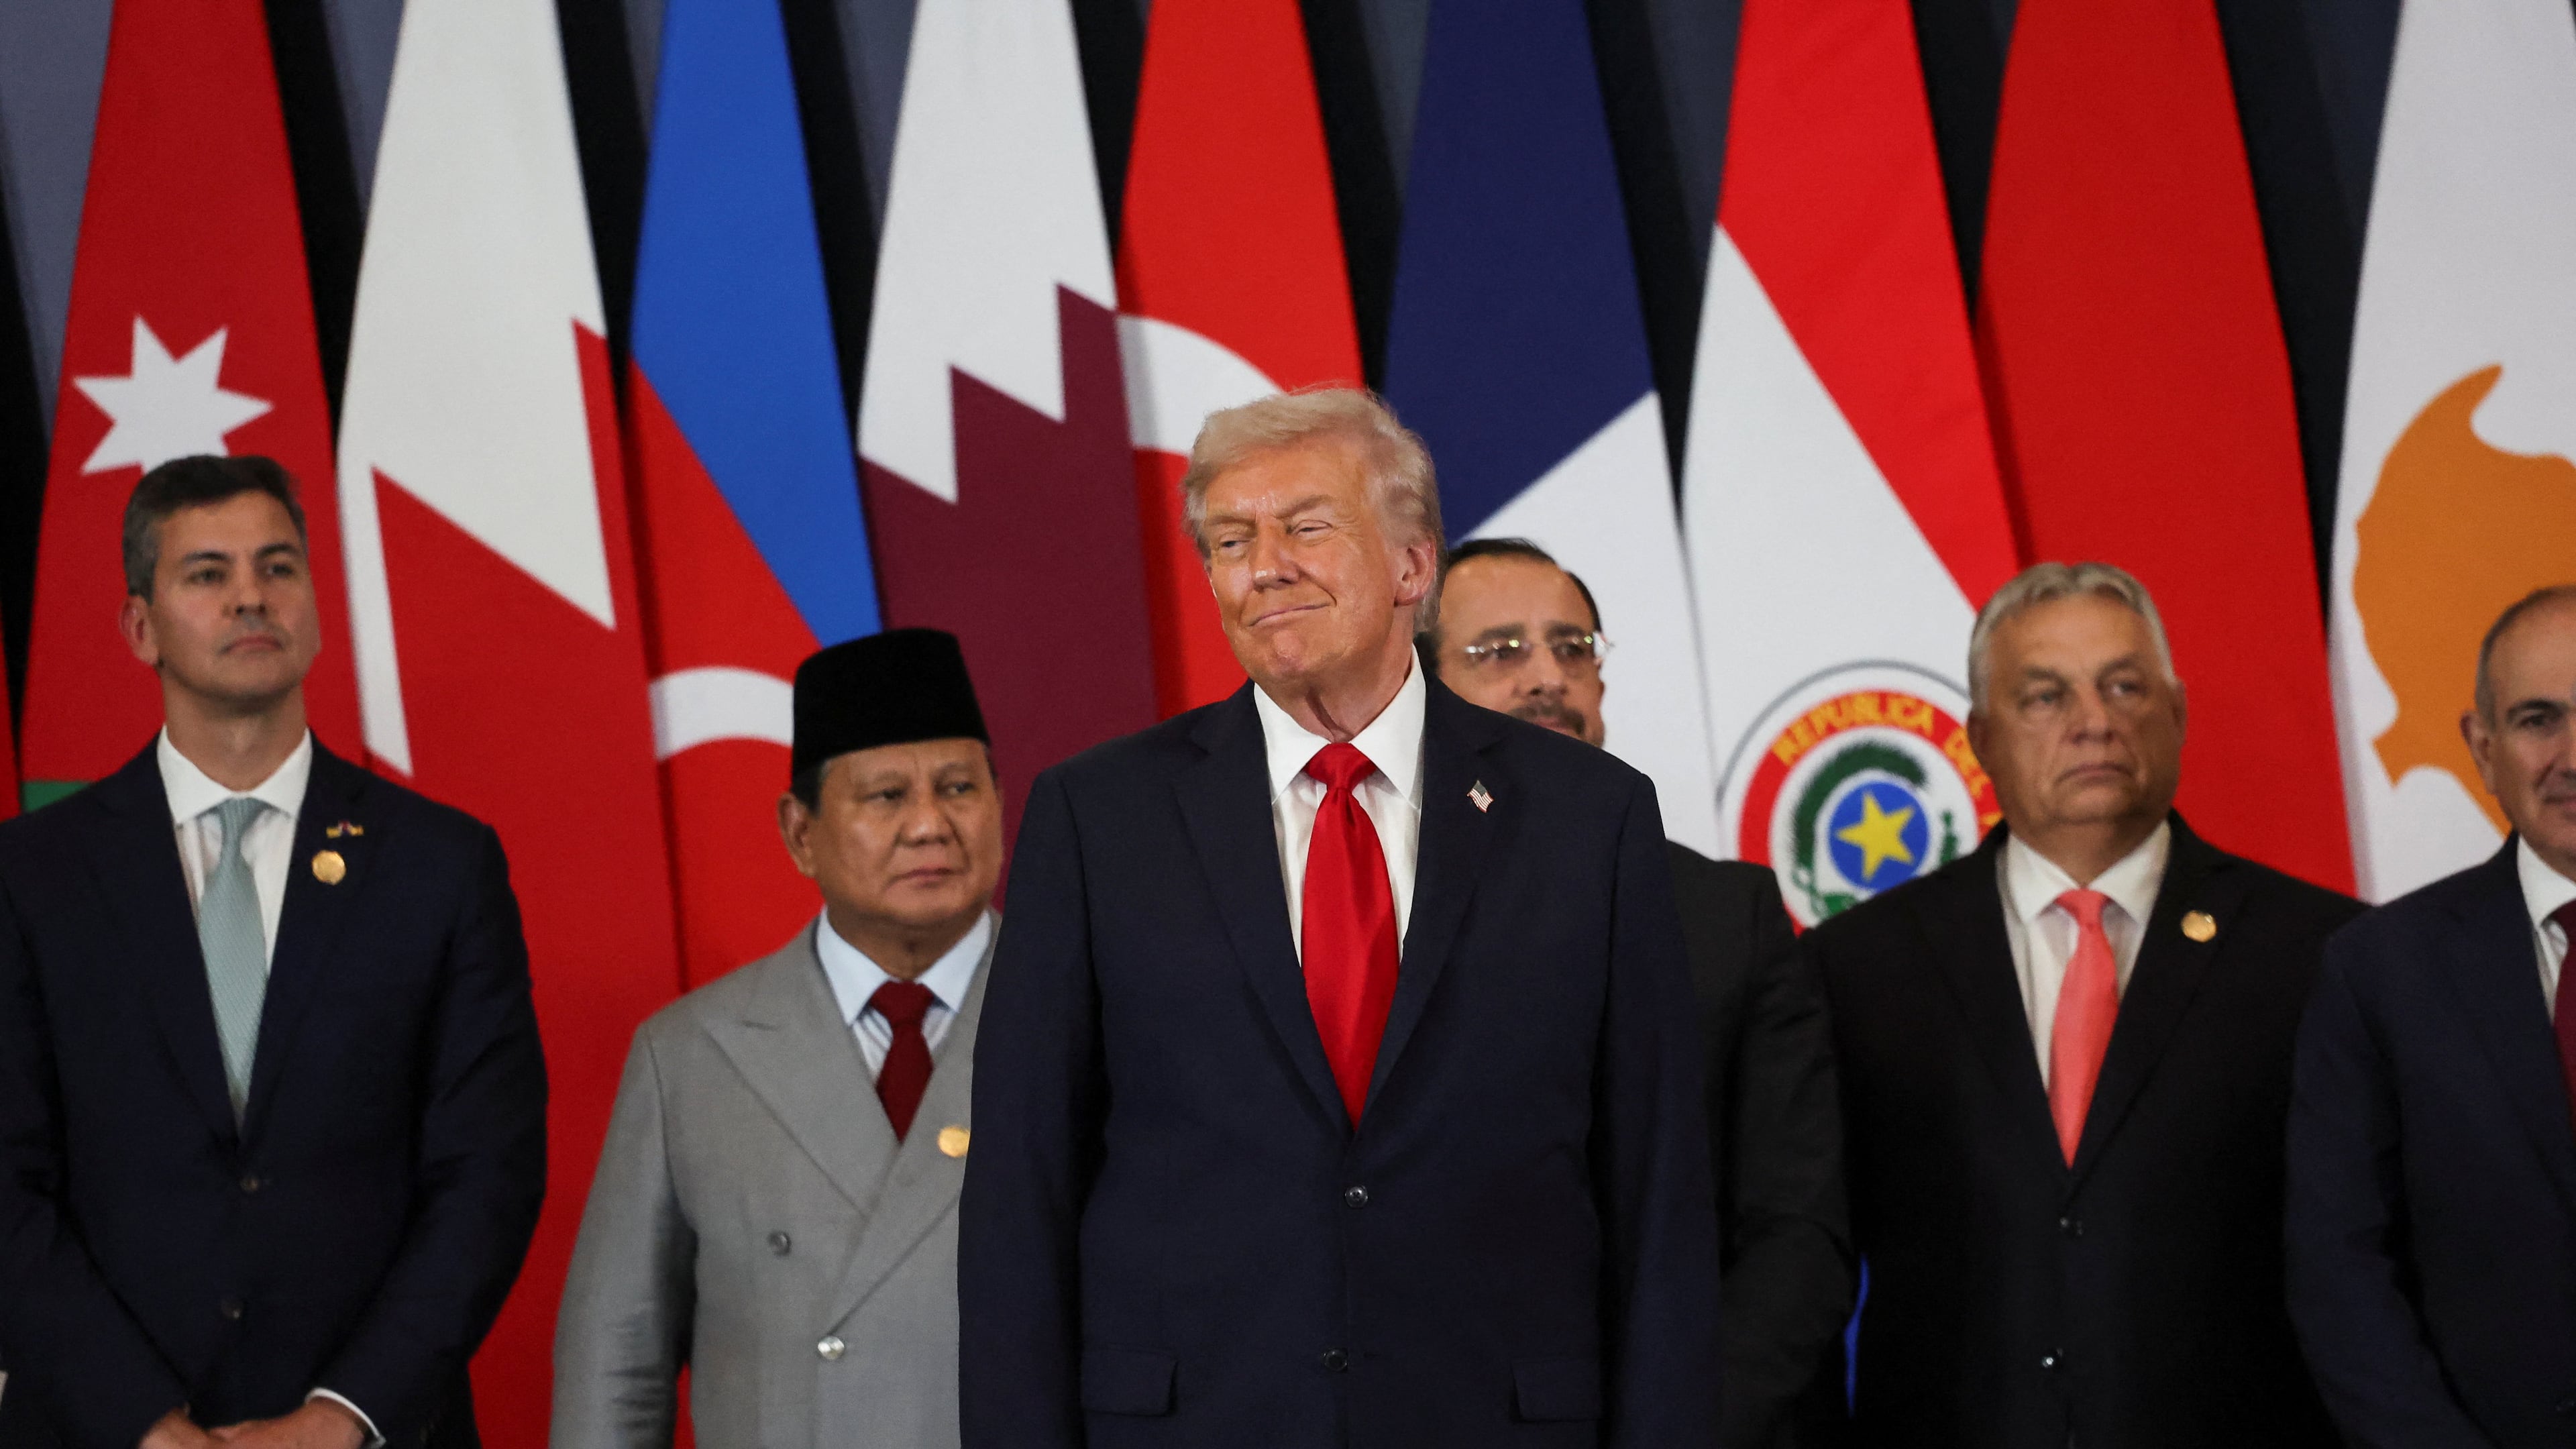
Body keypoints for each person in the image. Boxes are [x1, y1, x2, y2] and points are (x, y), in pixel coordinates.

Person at [960, 388, 1718, 1448]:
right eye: (1233, 541)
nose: (1265, 567)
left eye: (1307, 527)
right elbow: (1020, 1193)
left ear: (1413, 566)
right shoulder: (1098, 818)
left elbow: (1657, 1193)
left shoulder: (1589, 818)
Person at [0, 455, 546, 1449]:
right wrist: (143, 1424)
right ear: (140, 627)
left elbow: (488, 1174)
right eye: (207, 573)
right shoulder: (31, 875)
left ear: (316, 610)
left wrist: (342, 1416)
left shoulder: (441, 865)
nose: (250, 595)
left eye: (278, 566)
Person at [1802, 561, 2359, 1448]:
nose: (2094, 721)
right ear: (1982, 738)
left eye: (2124, 687)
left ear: (2177, 715)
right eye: (2045, 696)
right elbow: (1800, 1263)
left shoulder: (2326, 954)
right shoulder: (1855, 967)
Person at [1423, 538, 1851, 1447]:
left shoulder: (1729, 916)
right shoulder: (1365, 913)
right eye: (1500, 651)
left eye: (1572, 647)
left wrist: (1679, 1424)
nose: (1548, 677)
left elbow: (1799, 1231)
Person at [553, 629, 1003, 1449]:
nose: (930, 825)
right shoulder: (690, 1056)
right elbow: (616, 1368)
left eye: (959, 788)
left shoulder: (1092, 1016)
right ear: (800, 833)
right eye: (887, 797)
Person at [2288, 584, 2576, 1448]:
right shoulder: (2379, 971)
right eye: (2538, 720)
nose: (2571, 756)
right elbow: (2339, 1268)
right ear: (2482, 749)